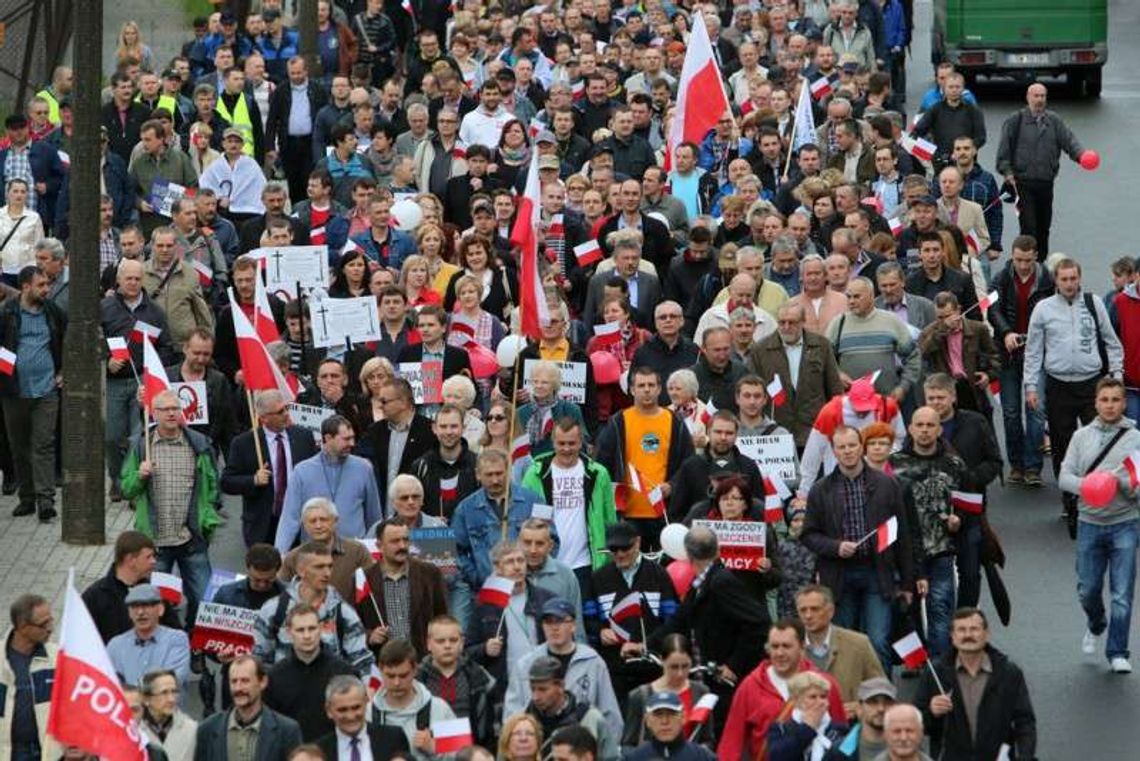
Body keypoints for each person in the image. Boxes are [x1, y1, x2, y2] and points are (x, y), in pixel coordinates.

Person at [801, 426, 915, 670]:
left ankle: (881, 702)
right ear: (834, 451)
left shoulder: (887, 484)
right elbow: (809, 535)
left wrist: (907, 583)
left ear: (861, 446)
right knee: (843, 645)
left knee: (878, 641)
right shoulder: (821, 489)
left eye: (852, 445)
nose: (848, 451)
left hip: (878, 572)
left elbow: (903, 534)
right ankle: (847, 702)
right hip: (839, 575)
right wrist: (835, 546)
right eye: (841, 447)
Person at [1025, 257, 1122, 526]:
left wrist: (1116, 375)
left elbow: (1111, 342)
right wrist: (1031, 386)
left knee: (1098, 443)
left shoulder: (1094, 304)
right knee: (1062, 444)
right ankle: (1070, 499)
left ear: (1080, 279)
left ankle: (1096, 495)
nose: (1069, 284)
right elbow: (1033, 351)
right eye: (1064, 279)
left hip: (1091, 384)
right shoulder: (1043, 309)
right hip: (1058, 385)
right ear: (1056, 281)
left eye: (1073, 278)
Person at [1057, 377, 1140, 671]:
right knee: (1087, 589)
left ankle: (1118, 652)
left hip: (1125, 523)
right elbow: (1064, 477)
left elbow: (1138, 486)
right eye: (1104, 400)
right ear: (1095, 403)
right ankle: (1095, 622)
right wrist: (1090, 485)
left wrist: (1122, 483)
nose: (1109, 405)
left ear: (1124, 403)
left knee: (1122, 594)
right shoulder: (1081, 437)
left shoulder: (1135, 439)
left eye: (1115, 400)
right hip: (1090, 522)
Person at [649, 526, 770, 725]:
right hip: (706, 676)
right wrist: (646, 646)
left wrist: (734, 664)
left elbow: (759, 623)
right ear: (718, 550)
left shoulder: (720, 582)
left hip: (724, 680)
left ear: (688, 555)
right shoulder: (700, 583)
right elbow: (680, 620)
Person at [120, 388, 218, 629]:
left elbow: (213, 485)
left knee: (205, 599)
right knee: (155, 603)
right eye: (165, 409)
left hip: (191, 539)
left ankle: (195, 646)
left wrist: (208, 516)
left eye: (175, 408)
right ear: (154, 414)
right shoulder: (142, 446)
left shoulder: (198, 444)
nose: (171, 413)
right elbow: (126, 489)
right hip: (154, 544)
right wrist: (139, 476)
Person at [888, 407, 968, 661]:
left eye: (930, 425)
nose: (924, 430)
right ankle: (916, 660)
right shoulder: (893, 464)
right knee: (906, 611)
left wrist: (960, 519)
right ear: (910, 429)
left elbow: (971, 503)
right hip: (905, 551)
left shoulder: (954, 464)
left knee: (940, 610)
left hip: (941, 548)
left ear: (939, 429)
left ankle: (940, 669)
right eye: (919, 425)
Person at [922, 374, 1003, 610]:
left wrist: (971, 480)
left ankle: (965, 616)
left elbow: (994, 461)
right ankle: (941, 620)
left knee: (970, 571)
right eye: (931, 398)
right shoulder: (921, 425)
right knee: (935, 573)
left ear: (953, 397)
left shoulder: (976, 423)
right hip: (932, 515)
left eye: (941, 397)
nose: (935, 403)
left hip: (970, 508)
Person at [915, 608, 1037, 760]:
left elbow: (1024, 721)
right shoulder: (935, 674)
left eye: (974, 629)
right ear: (952, 636)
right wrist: (931, 712)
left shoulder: (1009, 673)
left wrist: (1025, 756)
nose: (968, 635)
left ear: (986, 634)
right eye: (961, 630)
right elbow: (915, 724)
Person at [718, 619, 847, 760]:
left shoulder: (824, 684)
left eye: (786, 646)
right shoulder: (750, 686)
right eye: (774, 646)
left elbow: (842, 739)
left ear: (802, 647)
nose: (780, 653)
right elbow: (731, 742)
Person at [595, 367, 694, 549]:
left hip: (664, 513)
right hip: (628, 515)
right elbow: (602, 464)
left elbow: (689, 464)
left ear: (659, 389)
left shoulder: (675, 422)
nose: (647, 390)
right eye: (641, 385)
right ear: (632, 390)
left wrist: (672, 485)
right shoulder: (618, 422)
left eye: (651, 385)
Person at [504, 598, 622, 739]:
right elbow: (512, 716)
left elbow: (610, 715)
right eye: (548, 622)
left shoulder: (593, 661)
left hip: (580, 747)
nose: (554, 628)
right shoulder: (525, 664)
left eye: (560, 621)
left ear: (573, 625)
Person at [0, 265, 64, 521]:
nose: (46, 289)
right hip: (14, 392)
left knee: (43, 445)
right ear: (25, 286)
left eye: (47, 284)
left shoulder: (52, 312)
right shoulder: (7, 313)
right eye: (41, 285)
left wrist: (63, 371)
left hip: (46, 391)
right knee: (19, 447)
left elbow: (68, 338)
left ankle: (45, 500)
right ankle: (26, 497)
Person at [254, 541, 374, 678]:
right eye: (319, 567)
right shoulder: (274, 610)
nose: (327, 573)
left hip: (330, 692)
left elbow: (362, 661)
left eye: (330, 566)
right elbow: (260, 658)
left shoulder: (344, 613)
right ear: (301, 570)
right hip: (285, 692)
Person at [995, 82, 1086, 259]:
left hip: (1046, 183)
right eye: (1036, 96)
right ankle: (1025, 261)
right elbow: (1003, 152)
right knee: (1029, 227)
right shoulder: (1015, 120)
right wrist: (1007, 172)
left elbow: (1070, 142)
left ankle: (1040, 263)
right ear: (1028, 97)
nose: (1039, 100)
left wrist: (1082, 156)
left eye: (1043, 96)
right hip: (1023, 183)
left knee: (1044, 227)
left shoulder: (1054, 121)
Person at [522, 416, 617, 581]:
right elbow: (522, 518)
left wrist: (609, 558)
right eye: (561, 443)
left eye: (572, 443)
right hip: (546, 563)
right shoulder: (534, 474)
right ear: (553, 443)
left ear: (581, 443)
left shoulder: (599, 474)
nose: (566, 449)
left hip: (586, 563)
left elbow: (610, 519)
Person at [222, 389, 320, 547]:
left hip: (299, 522)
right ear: (264, 418)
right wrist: (253, 480)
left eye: (286, 408)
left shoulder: (303, 437)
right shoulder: (244, 443)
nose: (286, 414)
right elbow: (227, 482)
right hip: (263, 525)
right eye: (280, 411)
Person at [275, 415, 382, 552]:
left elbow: (374, 516)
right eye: (346, 439)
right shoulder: (302, 471)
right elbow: (290, 518)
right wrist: (279, 553)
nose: (352, 443)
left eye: (352, 437)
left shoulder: (364, 468)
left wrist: (371, 550)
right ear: (328, 438)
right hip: (314, 554)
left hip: (354, 554)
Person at [749, 301, 845, 451]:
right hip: (774, 433)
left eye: (792, 322)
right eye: (782, 322)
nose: (786, 327)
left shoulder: (821, 346)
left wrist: (837, 427)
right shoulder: (760, 350)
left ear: (803, 322)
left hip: (814, 431)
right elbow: (751, 392)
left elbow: (835, 390)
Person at [355, 517, 449, 661]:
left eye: (405, 540)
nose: (402, 546)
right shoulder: (363, 578)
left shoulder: (430, 573)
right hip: (382, 664)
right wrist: (370, 636)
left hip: (422, 661)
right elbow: (354, 624)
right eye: (395, 541)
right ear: (379, 545)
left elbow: (442, 617)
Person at [264, 603, 357, 741]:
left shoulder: (344, 673)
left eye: (312, 629)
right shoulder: (274, 677)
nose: (307, 636)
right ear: (289, 633)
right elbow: (271, 727)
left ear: (321, 629)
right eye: (300, 630)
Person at [795, 585, 884, 715]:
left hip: (849, 725)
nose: (808, 615)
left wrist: (862, 705)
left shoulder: (858, 644)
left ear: (830, 611)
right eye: (803, 610)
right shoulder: (791, 648)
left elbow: (880, 688)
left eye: (815, 609)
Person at [193, 655, 303, 760]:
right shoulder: (208, 729)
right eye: (234, 681)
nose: (238, 688)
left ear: (263, 682)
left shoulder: (286, 731)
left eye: (245, 681)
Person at [826, 276, 920, 399]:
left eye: (857, 296)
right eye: (848, 297)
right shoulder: (838, 323)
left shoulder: (890, 321)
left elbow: (913, 356)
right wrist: (837, 374)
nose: (851, 301)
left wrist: (903, 387)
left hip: (886, 402)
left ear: (871, 296)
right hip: (850, 404)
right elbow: (823, 359)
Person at [417, 615, 497, 748]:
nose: (447, 645)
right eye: (440, 641)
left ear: (462, 642)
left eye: (453, 640)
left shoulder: (479, 677)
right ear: (428, 644)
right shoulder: (417, 680)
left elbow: (491, 725)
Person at [372, 638, 458, 761]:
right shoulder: (367, 713)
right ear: (380, 670)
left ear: (415, 670)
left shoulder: (440, 708)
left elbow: (465, 756)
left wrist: (435, 748)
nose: (396, 683)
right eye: (390, 676)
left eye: (403, 675)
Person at [668, 411, 764, 522]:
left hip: (741, 536)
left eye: (729, 433)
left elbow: (759, 510)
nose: (723, 437)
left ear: (736, 435)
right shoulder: (690, 466)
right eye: (718, 432)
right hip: (700, 535)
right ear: (708, 432)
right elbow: (676, 512)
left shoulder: (749, 466)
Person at [278, 498, 375, 607]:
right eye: (312, 521)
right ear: (304, 525)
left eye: (323, 520)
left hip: (350, 618)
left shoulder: (357, 551)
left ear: (335, 521)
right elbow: (282, 592)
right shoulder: (293, 557)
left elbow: (373, 586)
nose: (318, 526)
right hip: (308, 619)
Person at [521, 656, 618, 761]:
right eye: (532, 689)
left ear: (561, 686)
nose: (536, 697)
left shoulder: (590, 719)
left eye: (543, 690)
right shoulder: (523, 724)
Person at [2, 594, 59, 760]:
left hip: (48, 752)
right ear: (22, 627)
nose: (50, 628)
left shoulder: (58, 658)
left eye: (51, 620)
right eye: (43, 624)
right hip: (10, 752)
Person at [107, 584, 191, 694]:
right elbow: (109, 685)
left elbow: (170, 682)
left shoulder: (176, 640)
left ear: (160, 609)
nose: (140, 612)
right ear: (129, 613)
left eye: (146, 605)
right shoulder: (115, 645)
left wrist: (130, 693)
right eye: (135, 607)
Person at [411, 404, 480, 521]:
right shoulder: (421, 465)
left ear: (463, 428)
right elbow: (411, 505)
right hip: (433, 536)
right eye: (443, 426)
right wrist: (430, 521)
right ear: (434, 428)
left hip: (469, 536)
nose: (448, 432)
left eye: (454, 426)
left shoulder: (477, 464)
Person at [315, 675, 410, 759]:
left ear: (366, 702)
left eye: (356, 707)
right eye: (342, 710)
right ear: (329, 710)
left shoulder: (393, 738)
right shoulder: (319, 751)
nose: (351, 716)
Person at [766, 671, 852, 761]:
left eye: (823, 696)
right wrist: (807, 728)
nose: (820, 702)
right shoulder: (780, 729)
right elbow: (778, 757)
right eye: (813, 697)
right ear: (796, 700)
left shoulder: (841, 730)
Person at [624, 691, 717, 761]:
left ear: (683, 717)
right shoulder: (634, 758)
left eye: (672, 714)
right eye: (658, 715)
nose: (665, 721)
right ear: (647, 720)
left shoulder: (703, 757)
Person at [139, 669, 197, 761]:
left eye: (174, 692)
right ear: (146, 699)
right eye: (164, 693)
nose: (171, 699)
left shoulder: (192, 729)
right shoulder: (134, 731)